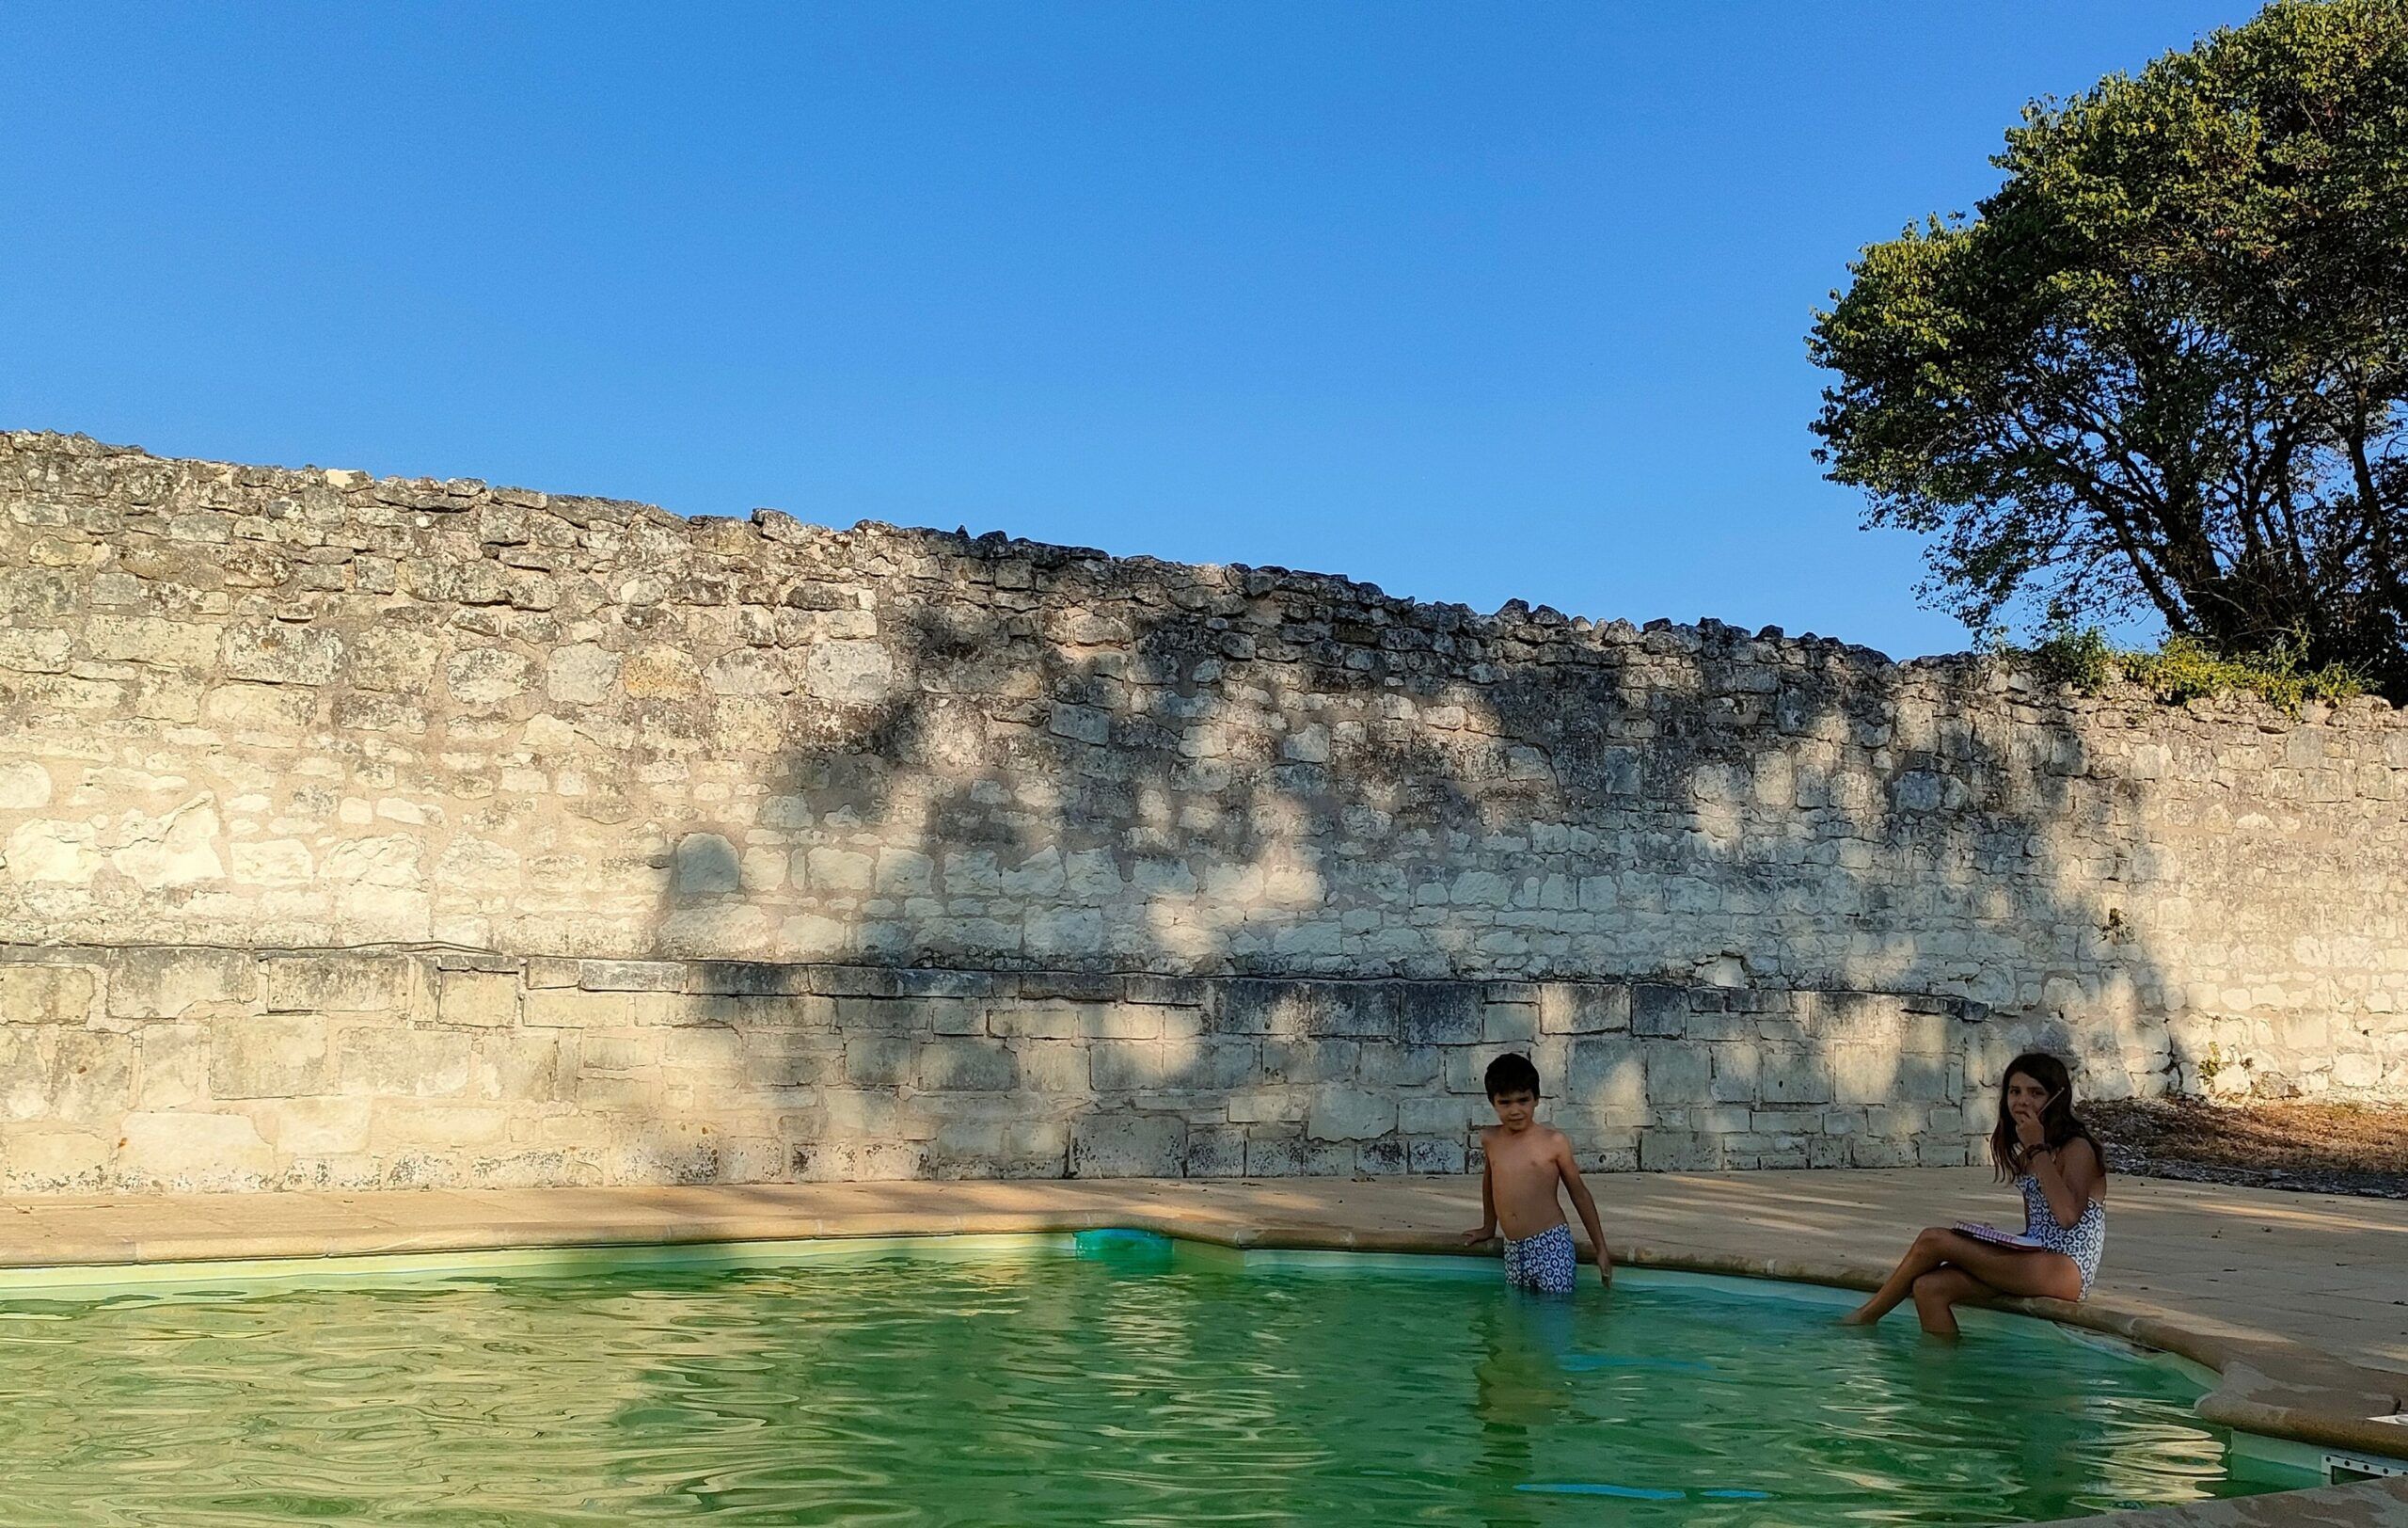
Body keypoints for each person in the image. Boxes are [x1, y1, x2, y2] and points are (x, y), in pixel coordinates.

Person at [1840, 1051, 2107, 1336]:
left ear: (2057, 1099)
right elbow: (2039, 1229)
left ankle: (1865, 1318)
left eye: (2036, 1093)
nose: (2023, 1101)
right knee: (1929, 1288)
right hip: (2037, 1258)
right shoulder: (2032, 1153)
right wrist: (1997, 1242)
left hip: (2068, 1270)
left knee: (1933, 1239)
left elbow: (2067, 1217)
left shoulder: (2077, 1149)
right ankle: (1942, 1374)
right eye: (2014, 1091)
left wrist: (2037, 1149)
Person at [1460, 1053, 1614, 1293]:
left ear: (1536, 1099)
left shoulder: (1554, 1142)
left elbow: (1580, 1194)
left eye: (1523, 1100)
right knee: (1518, 1319)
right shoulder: (1490, 1138)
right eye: (1505, 1103)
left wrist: (1600, 1248)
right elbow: (1490, 1183)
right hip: (1514, 1249)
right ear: (1493, 1102)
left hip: (1551, 1244)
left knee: (1553, 1315)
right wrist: (1488, 1227)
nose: (1515, 1110)